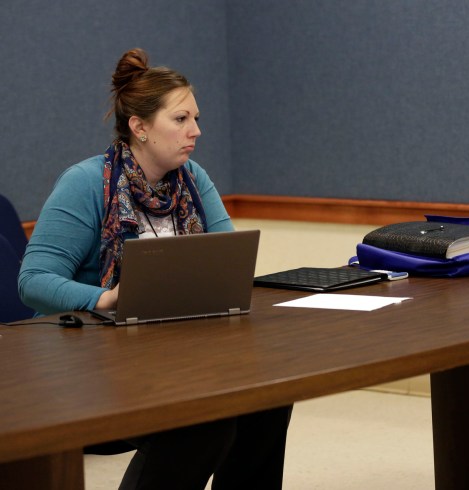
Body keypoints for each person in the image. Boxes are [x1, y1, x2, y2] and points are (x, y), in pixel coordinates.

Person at [18, 48, 292, 490]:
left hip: (170, 352)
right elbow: (32, 282)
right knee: (202, 418)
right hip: (83, 365)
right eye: (181, 120)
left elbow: (230, 258)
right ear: (140, 127)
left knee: (267, 396)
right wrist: (105, 298)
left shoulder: (193, 179)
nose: (196, 131)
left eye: (196, 119)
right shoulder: (86, 183)